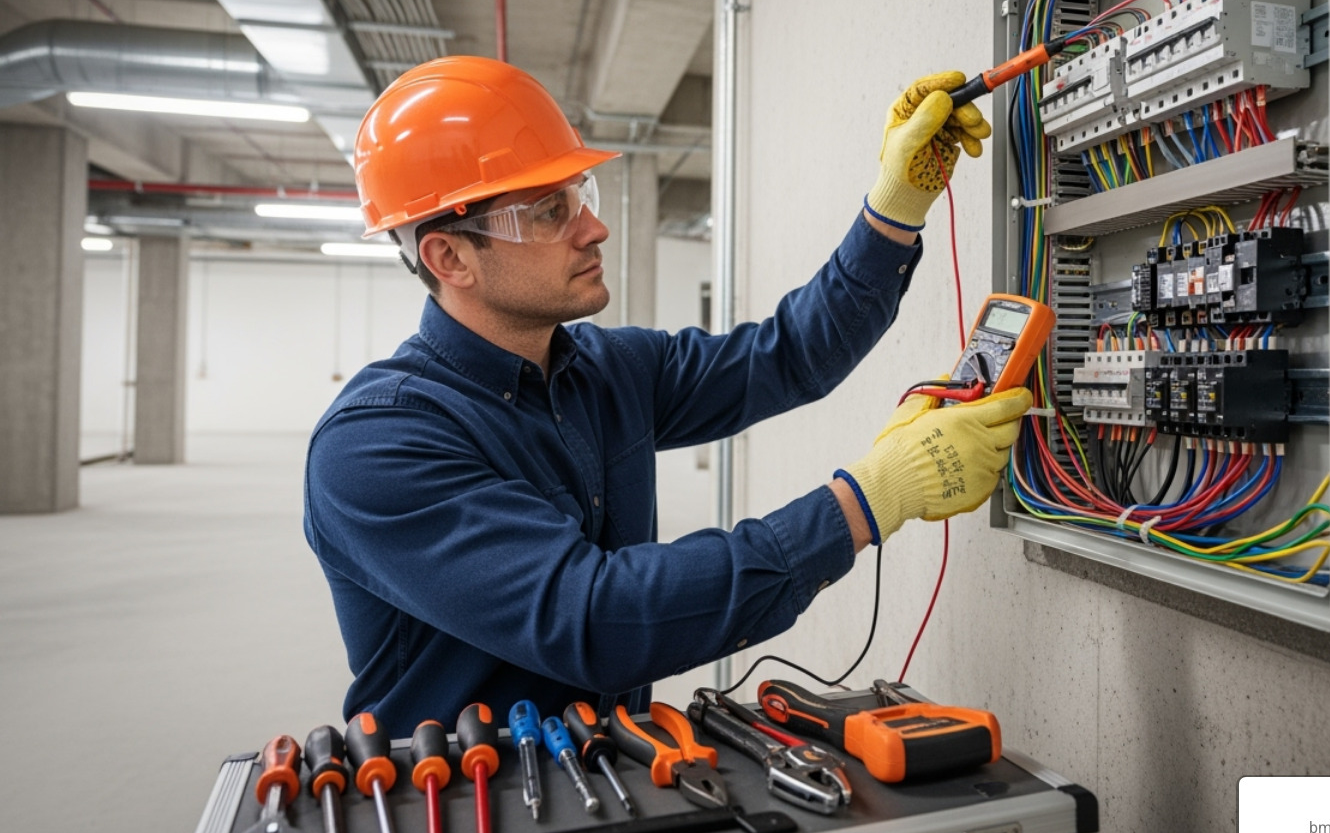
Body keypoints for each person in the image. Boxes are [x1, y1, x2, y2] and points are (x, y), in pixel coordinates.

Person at [304, 56, 1031, 730]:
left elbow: (791, 356)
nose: (595, 227)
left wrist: (894, 206)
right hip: (457, 810)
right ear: (450, 256)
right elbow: (594, 619)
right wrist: (867, 501)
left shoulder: (606, 368)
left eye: (578, 194)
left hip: (600, 774)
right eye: (549, 211)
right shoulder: (375, 447)